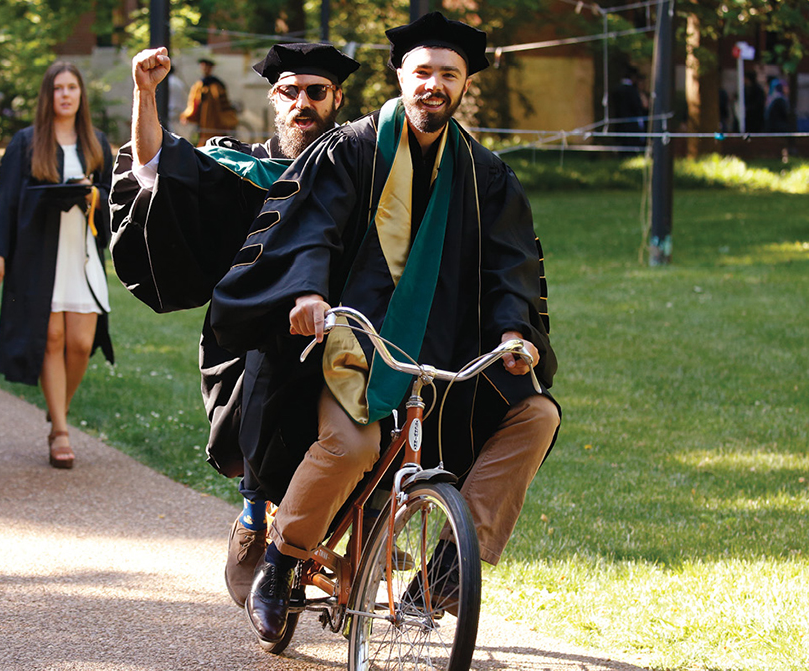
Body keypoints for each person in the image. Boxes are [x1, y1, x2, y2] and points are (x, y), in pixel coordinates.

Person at [208, 12, 560, 643]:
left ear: (464, 85)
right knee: (352, 445)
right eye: (422, 71)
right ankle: (281, 563)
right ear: (400, 76)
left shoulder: (486, 174)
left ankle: (448, 570)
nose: (433, 85)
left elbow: (511, 263)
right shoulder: (349, 150)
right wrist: (308, 291)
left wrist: (514, 332)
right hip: (349, 344)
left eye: (447, 74)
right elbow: (310, 226)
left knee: (537, 415)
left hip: (448, 352)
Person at [110, 42, 359, 607]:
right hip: (248, 339)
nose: (302, 103)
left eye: (315, 92)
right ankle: (252, 512)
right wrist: (145, 93)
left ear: (336, 98)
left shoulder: (356, 170)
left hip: (339, 329)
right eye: (289, 91)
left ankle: (355, 536)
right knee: (266, 377)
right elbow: (158, 165)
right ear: (274, 99)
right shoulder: (243, 168)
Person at [0, 61, 114, 468]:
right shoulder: (27, 142)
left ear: (81, 94)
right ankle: (61, 431)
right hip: (39, 254)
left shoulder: (96, 142)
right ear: (48, 95)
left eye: (72, 87)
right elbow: (8, 202)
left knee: (81, 343)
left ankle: (58, 413)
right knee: (51, 338)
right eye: (58, 88)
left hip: (82, 252)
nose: (66, 95)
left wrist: (91, 195)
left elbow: (112, 196)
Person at [180, 57, 238, 145]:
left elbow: (224, 105)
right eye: (203, 66)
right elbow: (193, 103)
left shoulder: (217, 85)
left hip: (216, 121)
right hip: (203, 120)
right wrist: (187, 115)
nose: (204, 69)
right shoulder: (198, 85)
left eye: (207, 67)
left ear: (211, 68)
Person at [610, 66, 647, 147]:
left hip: (619, 124)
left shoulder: (616, 89)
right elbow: (639, 106)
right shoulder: (633, 91)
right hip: (632, 125)